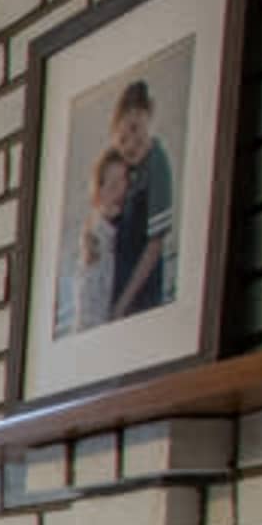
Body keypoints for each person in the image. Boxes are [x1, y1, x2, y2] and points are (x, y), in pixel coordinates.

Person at [106, 82, 175, 318]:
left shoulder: (157, 164)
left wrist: (122, 304)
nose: (130, 144)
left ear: (150, 114)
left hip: (141, 295)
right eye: (122, 140)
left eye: (135, 129)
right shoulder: (129, 170)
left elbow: (155, 246)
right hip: (121, 285)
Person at [56, 148, 128, 338]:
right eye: (112, 186)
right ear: (98, 193)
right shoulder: (95, 238)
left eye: (124, 182)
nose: (120, 191)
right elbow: (88, 304)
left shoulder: (117, 230)